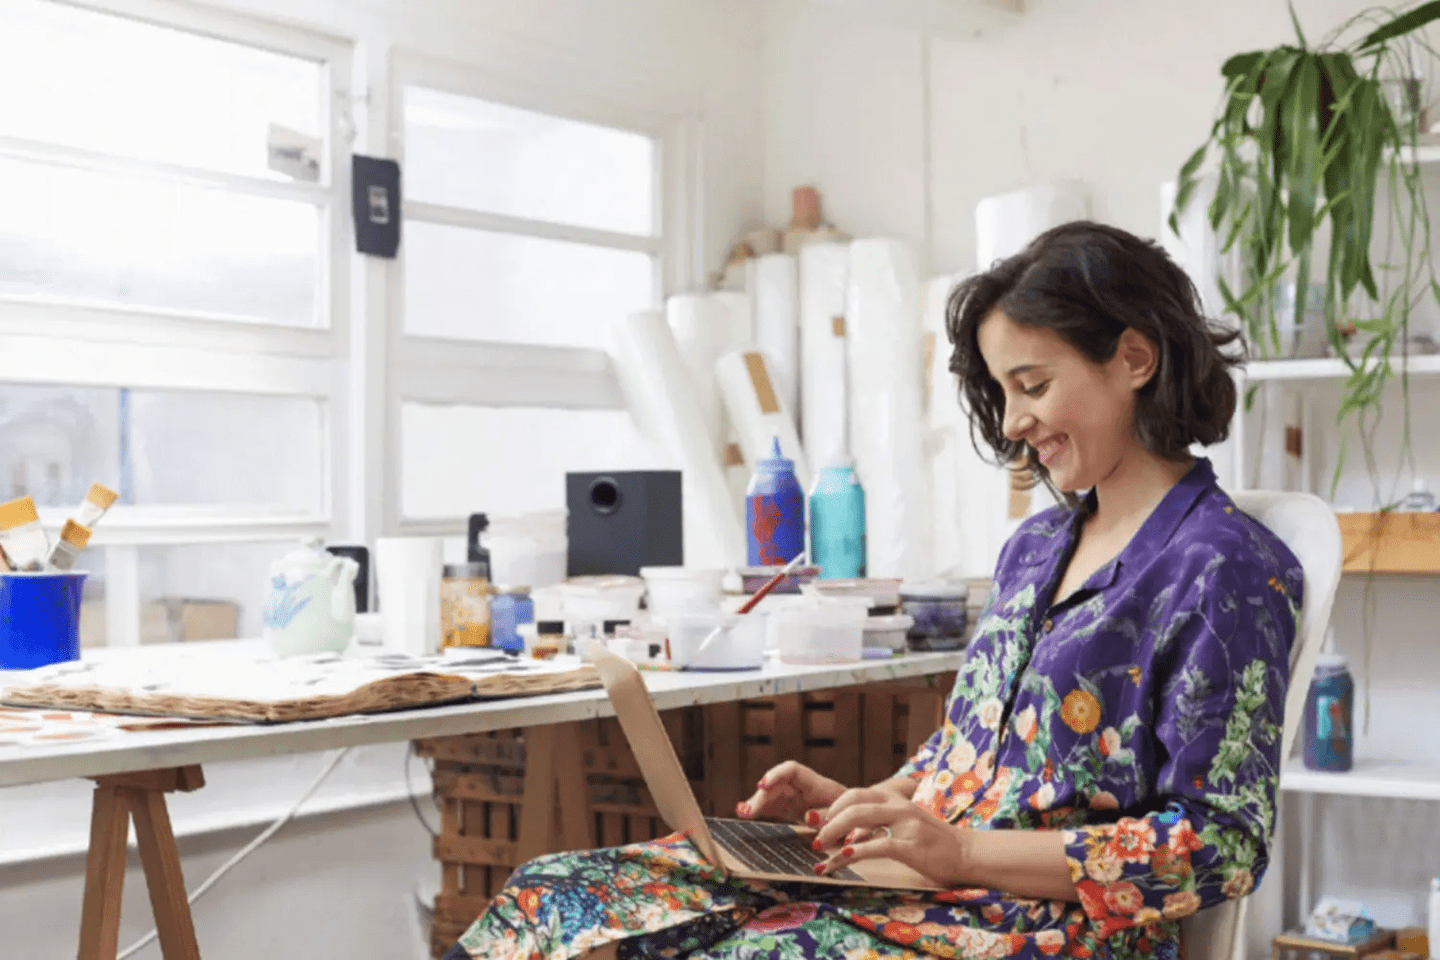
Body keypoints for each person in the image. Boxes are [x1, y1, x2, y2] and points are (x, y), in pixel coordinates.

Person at [443, 220, 1303, 960]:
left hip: (1046, 926)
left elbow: (1220, 847)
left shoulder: (1225, 569)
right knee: (554, 892)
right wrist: (876, 801)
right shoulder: (1036, 548)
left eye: (1032, 386)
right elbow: (972, 755)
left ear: (1135, 358)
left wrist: (960, 852)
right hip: (920, 886)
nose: (1011, 423)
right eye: (1001, 393)